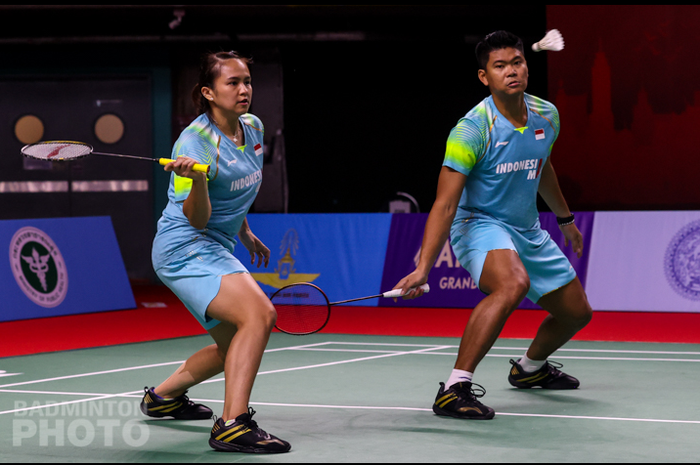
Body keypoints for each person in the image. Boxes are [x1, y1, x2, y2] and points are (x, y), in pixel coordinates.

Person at [393, 31, 593, 420]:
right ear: (484, 76)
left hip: (527, 226)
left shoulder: (546, 115)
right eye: (500, 66)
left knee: (577, 313)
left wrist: (565, 219)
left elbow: (542, 167)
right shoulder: (471, 130)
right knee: (511, 283)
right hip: (478, 223)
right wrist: (423, 268)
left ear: (526, 66)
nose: (511, 71)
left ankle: (530, 369)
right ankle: (455, 388)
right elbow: (446, 202)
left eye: (516, 62)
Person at [140, 51, 291, 453]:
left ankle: (161, 398)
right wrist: (197, 181)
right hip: (184, 246)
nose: (244, 90)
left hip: (217, 244)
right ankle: (232, 424)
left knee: (233, 348)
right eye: (232, 83)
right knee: (260, 315)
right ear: (208, 92)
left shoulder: (253, 127)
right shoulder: (194, 142)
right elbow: (198, 219)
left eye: (247, 81)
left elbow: (239, 186)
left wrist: (245, 231)